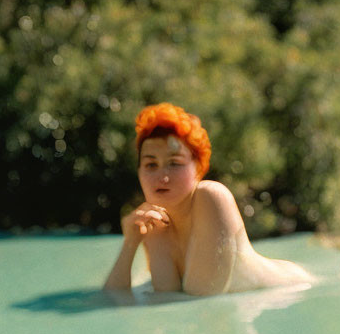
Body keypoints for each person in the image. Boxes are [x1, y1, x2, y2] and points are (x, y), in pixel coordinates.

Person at [103, 103, 313, 295]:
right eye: (151, 165)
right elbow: (114, 298)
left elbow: (199, 300)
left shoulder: (211, 196)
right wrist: (130, 242)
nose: (162, 176)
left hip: (298, 291)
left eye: (174, 163)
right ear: (139, 172)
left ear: (199, 169)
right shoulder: (155, 225)